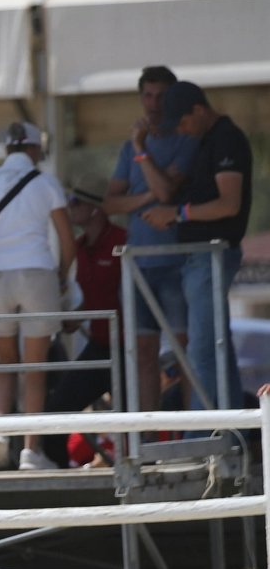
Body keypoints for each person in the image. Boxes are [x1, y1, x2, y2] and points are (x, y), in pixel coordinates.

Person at [0, 122, 76, 471]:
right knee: (34, 368)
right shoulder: (47, 183)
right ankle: (30, 452)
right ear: (35, 150)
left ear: (7, 149)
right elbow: (67, 240)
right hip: (36, 274)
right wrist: (63, 275)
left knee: (5, 361)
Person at [142, 81, 253, 412]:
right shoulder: (210, 139)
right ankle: (231, 434)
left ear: (199, 110)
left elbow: (228, 204)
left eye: (183, 121)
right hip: (203, 257)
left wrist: (176, 214)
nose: (182, 130)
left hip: (211, 256)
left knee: (203, 349)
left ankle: (198, 439)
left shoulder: (226, 138)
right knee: (219, 348)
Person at [101, 66, 197, 414]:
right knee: (143, 354)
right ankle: (149, 443)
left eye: (161, 96)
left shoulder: (186, 139)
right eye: (148, 95)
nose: (153, 104)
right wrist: (147, 198)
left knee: (185, 351)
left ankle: (194, 432)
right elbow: (110, 204)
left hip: (176, 263)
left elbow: (168, 190)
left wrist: (142, 152)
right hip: (138, 264)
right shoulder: (129, 148)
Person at [41, 182, 126, 468]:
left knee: (132, 420)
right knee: (55, 414)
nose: (69, 208)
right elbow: (96, 298)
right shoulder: (78, 248)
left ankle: (135, 469)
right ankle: (62, 485)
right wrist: (76, 316)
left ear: (95, 209)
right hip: (101, 346)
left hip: (129, 349)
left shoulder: (123, 241)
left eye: (75, 201)